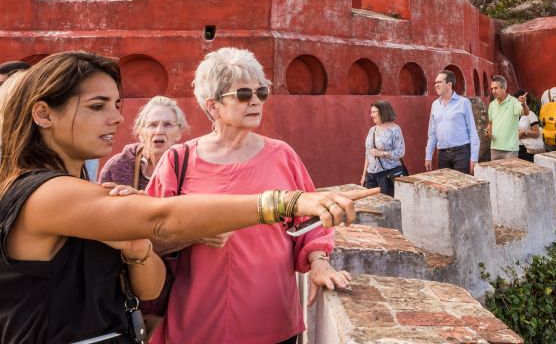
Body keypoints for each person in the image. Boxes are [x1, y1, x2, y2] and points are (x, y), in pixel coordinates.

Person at [0, 51, 376, 344]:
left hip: (267, 312)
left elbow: (148, 282)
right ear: (43, 115)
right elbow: (162, 217)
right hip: (195, 317)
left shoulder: (81, 188)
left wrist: (137, 246)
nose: (117, 118)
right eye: (98, 106)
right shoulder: (43, 193)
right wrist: (283, 202)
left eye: (116, 105)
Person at [145, 47, 368, 344]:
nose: (255, 101)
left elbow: (311, 222)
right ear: (213, 106)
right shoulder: (178, 160)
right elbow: (147, 234)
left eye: (260, 93)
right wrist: (195, 234)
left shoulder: (282, 155)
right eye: (242, 95)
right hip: (196, 322)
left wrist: (318, 261)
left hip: (272, 320)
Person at [98, 96, 189, 191]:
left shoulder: (189, 167)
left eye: (167, 124)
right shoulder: (117, 166)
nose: (159, 131)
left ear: (179, 133)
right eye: (152, 125)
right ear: (141, 133)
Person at [425, 70, 479, 174]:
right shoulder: (435, 105)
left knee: (462, 186)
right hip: (442, 155)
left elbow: (472, 131)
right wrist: (428, 156)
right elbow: (432, 133)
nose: (436, 85)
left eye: (439, 82)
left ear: (449, 84)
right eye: (435, 83)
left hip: (461, 153)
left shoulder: (463, 103)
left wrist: (474, 158)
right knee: (446, 187)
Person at [360, 100, 406, 196]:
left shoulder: (395, 129)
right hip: (371, 176)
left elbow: (400, 152)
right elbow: (368, 154)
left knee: (386, 204)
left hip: (387, 175)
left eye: (373, 112)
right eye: (371, 112)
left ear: (382, 112)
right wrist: (364, 175)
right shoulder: (372, 129)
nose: (371, 115)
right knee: (370, 204)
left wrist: (382, 153)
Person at [485, 76, 529, 160]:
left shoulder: (514, 102)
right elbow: (490, 124)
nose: (493, 91)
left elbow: (526, 113)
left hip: (510, 149)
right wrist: (488, 132)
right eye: (492, 89)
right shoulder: (492, 105)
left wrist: (523, 104)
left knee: (511, 173)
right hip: (494, 148)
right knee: (494, 173)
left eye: (496, 88)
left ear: (504, 88)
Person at [515, 89, 542, 161]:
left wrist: (524, 131)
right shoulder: (513, 115)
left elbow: (536, 133)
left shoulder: (530, 115)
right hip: (515, 149)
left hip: (527, 150)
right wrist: (520, 133)